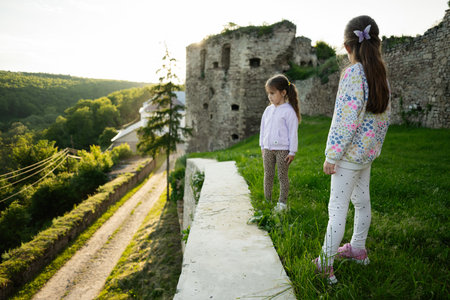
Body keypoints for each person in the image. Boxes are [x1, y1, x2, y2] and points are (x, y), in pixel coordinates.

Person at [313, 15, 391, 284]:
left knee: (337, 208)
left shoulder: (353, 74)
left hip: (347, 157)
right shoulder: (380, 75)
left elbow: (345, 120)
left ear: (348, 47)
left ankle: (325, 262)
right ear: (377, 44)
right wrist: (372, 148)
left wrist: (332, 155)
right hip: (365, 156)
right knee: (361, 201)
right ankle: (357, 248)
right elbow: (383, 119)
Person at [259, 74, 300, 213]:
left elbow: (293, 133)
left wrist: (292, 152)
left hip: (283, 150)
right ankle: (267, 199)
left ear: (283, 93)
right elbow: (263, 129)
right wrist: (262, 146)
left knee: (282, 176)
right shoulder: (268, 110)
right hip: (268, 149)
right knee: (268, 174)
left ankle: (282, 203)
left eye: (272, 93)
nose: (269, 97)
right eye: (268, 93)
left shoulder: (289, 111)